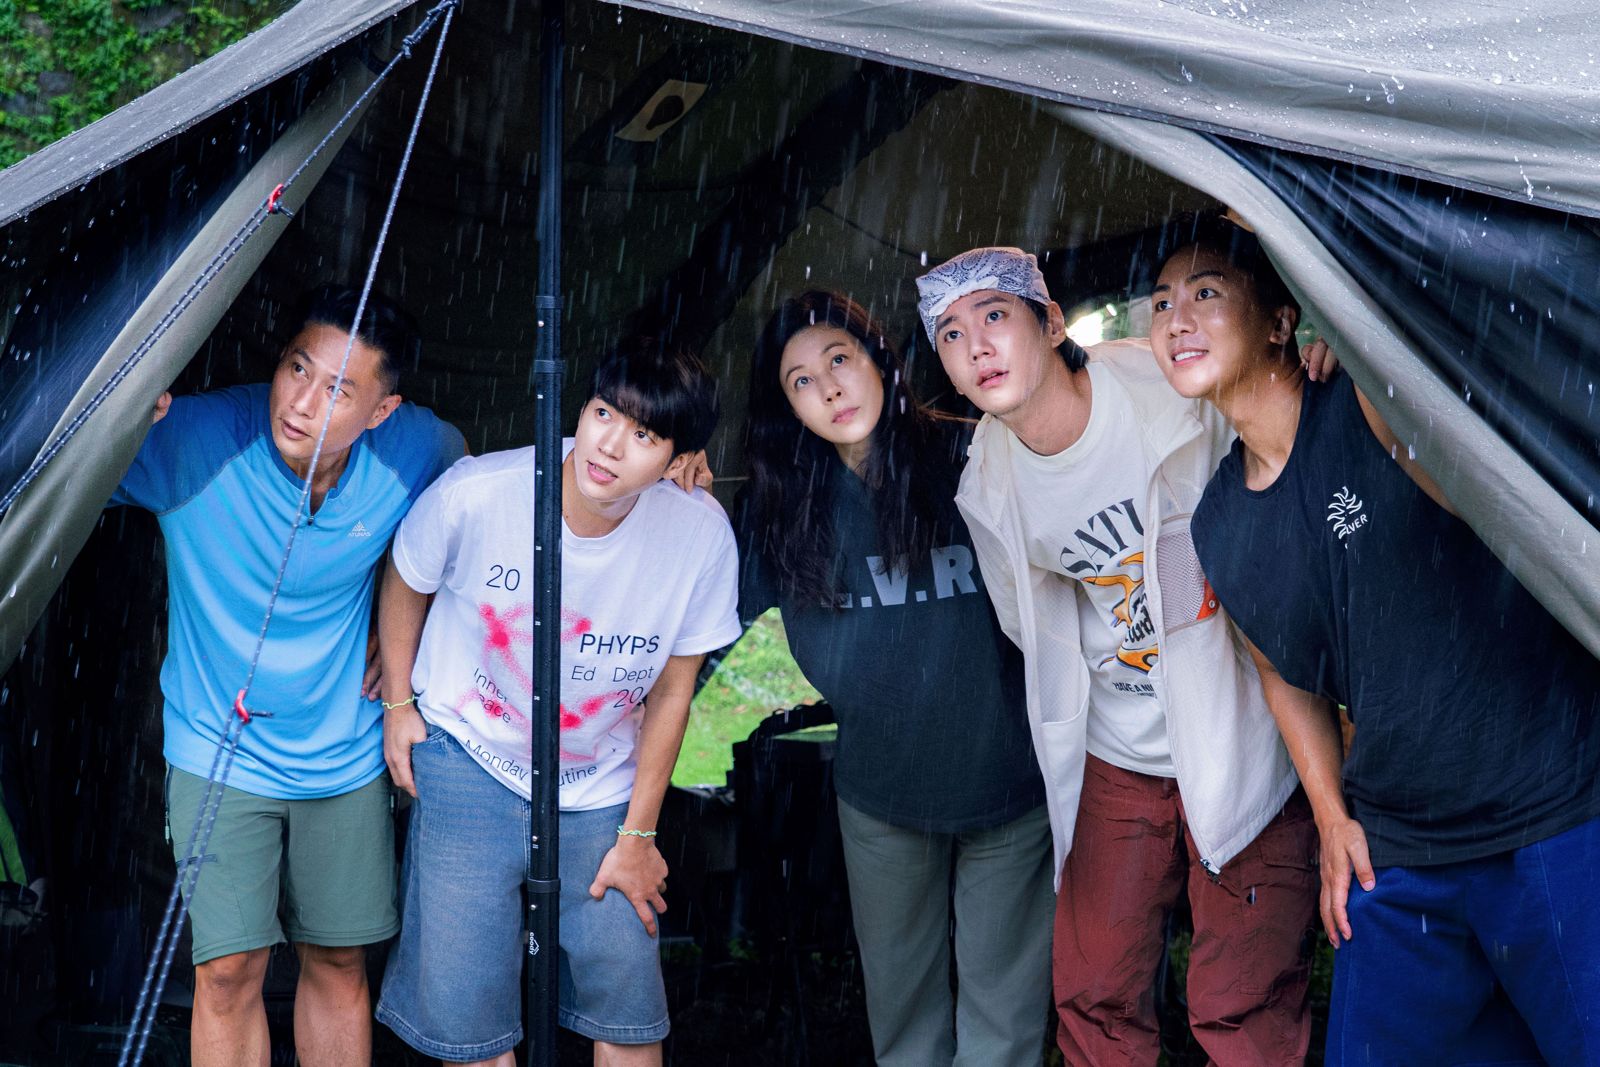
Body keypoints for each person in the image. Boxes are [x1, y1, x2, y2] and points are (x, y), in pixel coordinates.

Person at [1156, 215, 1600, 1064]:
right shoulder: (1216, 523)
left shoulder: (1369, 403)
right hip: (1400, 846)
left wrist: (1360, 345)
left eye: (1206, 292)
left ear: (1282, 319)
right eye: (1162, 302)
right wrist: (1332, 818)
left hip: (1552, 802)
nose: (1177, 318)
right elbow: (1282, 673)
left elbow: (1441, 341)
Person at [918, 247, 1320, 1065]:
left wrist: (1318, 362)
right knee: (1095, 989)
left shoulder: (1164, 385)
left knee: (1241, 1000)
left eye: (995, 315)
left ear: (1051, 322)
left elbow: (1272, 425)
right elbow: (1028, 624)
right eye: (951, 334)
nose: (977, 345)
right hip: (1118, 750)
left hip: (1240, 724)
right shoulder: (987, 484)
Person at [111, 285, 466, 1067]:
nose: (301, 402)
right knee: (228, 969)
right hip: (215, 747)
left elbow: (491, 511)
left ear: (381, 410)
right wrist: (120, 413)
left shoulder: (417, 448)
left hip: (343, 752)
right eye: (296, 368)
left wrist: (404, 629)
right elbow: (43, 462)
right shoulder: (195, 440)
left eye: (338, 388)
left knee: (338, 960)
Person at [374, 339, 740, 1067]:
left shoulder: (699, 535)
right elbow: (407, 576)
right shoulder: (482, 490)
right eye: (604, 413)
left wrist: (638, 835)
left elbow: (674, 691)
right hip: (470, 751)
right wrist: (398, 703)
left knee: (629, 1009)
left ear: (679, 458)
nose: (610, 444)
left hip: (600, 779)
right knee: (468, 1016)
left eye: (645, 434)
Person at [738, 291, 1053, 1065]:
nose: (830, 389)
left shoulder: (974, 453)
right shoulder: (778, 502)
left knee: (1004, 1025)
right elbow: (700, 615)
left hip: (1009, 783)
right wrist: (671, 482)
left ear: (879, 358)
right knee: (905, 1023)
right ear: (786, 406)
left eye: (839, 359)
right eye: (801, 381)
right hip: (881, 797)